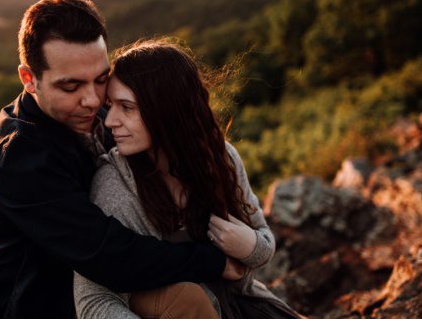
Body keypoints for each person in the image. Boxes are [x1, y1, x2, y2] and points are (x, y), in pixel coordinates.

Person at [0, 0, 247, 319]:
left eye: (100, 79)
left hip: (115, 286)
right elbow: (108, 253)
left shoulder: (105, 112)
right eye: (70, 86)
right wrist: (214, 261)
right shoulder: (21, 157)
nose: (93, 101)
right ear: (29, 79)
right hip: (44, 305)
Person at [74, 38, 302, 318]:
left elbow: (263, 243)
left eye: (127, 107)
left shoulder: (222, 158)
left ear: (167, 110)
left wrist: (251, 245)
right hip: (177, 314)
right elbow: (93, 299)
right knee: (185, 295)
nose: (109, 121)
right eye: (111, 105)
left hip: (241, 306)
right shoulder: (115, 185)